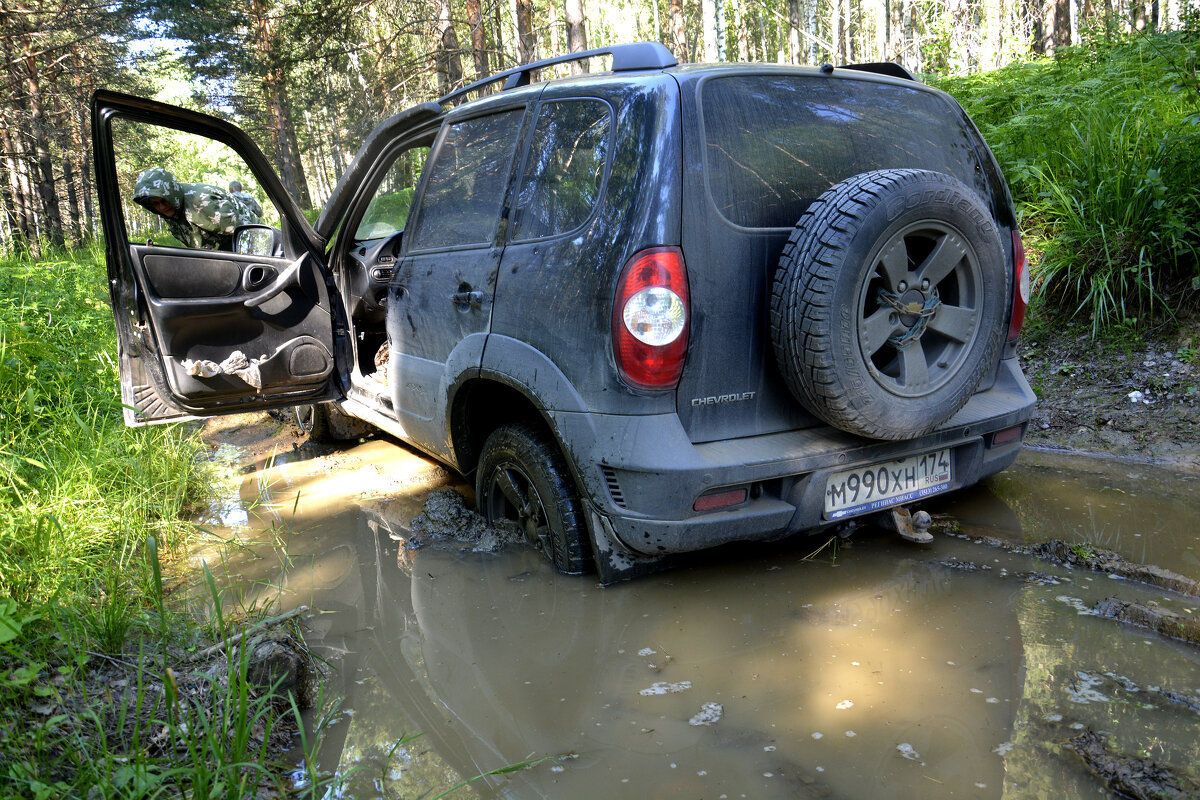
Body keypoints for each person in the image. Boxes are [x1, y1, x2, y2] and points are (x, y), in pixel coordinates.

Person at [133, 167, 261, 250]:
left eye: (164, 200)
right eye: (155, 204)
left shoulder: (201, 203)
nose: (162, 207)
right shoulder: (172, 210)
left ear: (171, 194)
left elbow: (251, 234)